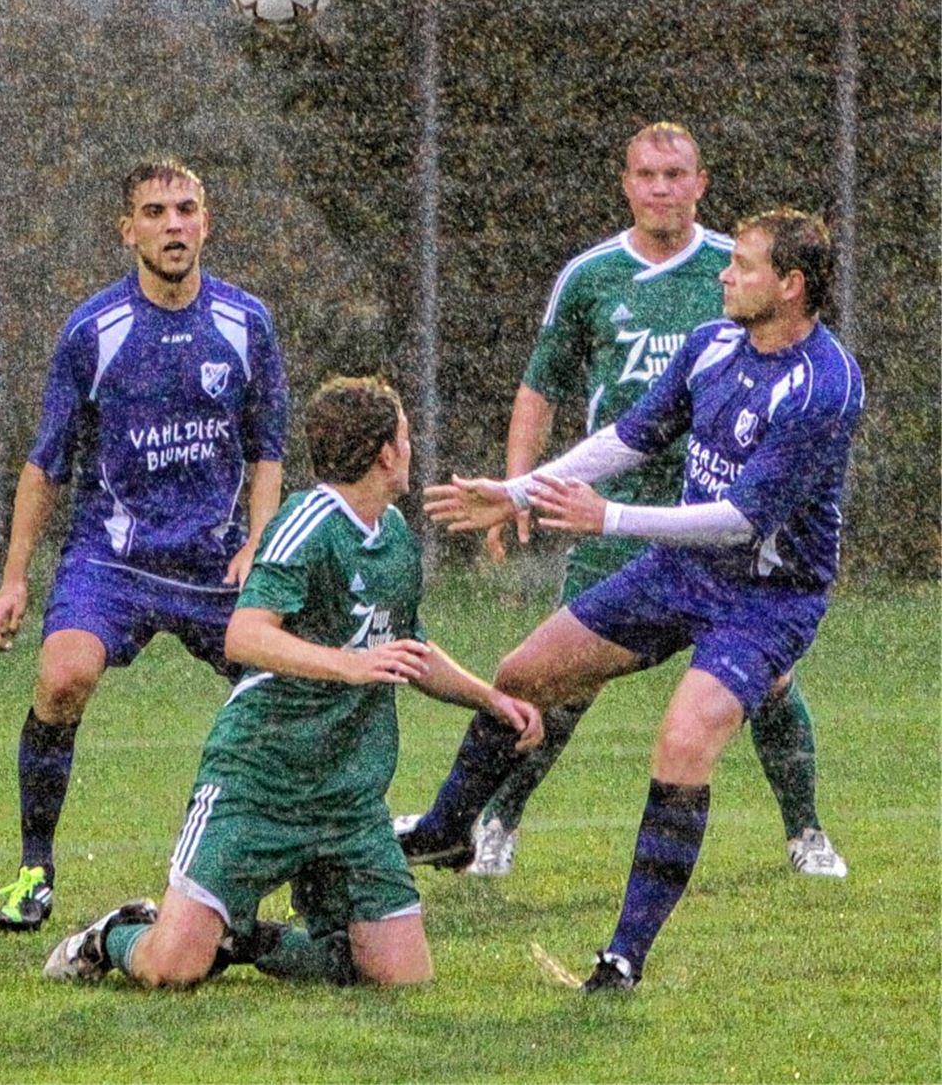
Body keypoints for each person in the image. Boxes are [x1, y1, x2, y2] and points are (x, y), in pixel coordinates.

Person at [413, 208, 863, 989]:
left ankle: (622, 959)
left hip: (767, 600)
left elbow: (742, 520)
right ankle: (447, 830)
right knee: (522, 675)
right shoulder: (712, 345)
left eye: (744, 265)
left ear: (789, 286)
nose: (725, 273)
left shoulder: (825, 387)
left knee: (683, 747)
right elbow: (631, 436)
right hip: (679, 573)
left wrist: (609, 517)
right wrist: (519, 491)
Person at [42, 376, 542, 988]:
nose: (411, 450)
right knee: (170, 970)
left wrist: (491, 698)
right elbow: (245, 635)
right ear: (387, 451)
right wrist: (350, 664)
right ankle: (111, 936)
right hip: (259, 783)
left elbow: (408, 650)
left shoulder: (396, 538)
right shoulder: (308, 524)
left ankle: (245, 937)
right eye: (406, 437)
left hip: (347, 800)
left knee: (397, 978)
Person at [0, 158, 289, 932]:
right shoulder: (93, 331)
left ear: (207, 222)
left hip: (215, 565)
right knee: (61, 678)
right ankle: (34, 870)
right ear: (129, 232)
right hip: (112, 560)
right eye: (154, 212)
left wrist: (258, 543)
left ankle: (294, 863)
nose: (173, 225)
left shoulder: (246, 322)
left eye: (186, 209)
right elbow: (44, 462)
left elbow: (267, 451)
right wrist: (15, 578)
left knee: (284, 695)